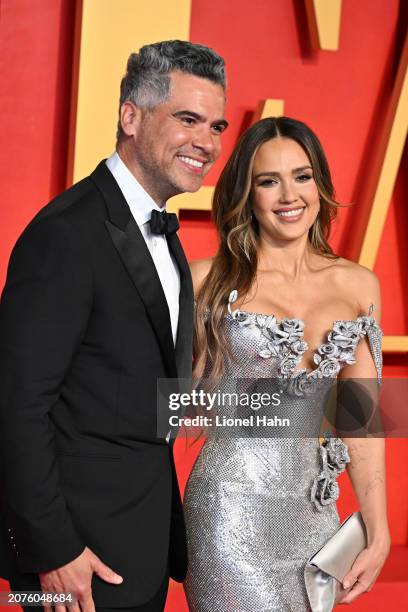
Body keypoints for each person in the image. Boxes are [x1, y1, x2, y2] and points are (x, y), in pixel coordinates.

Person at [0, 40, 228, 612]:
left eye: (216, 125)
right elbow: (16, 405)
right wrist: (51, 552)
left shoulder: (164, 238)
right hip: (75, 562)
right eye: (188, 119)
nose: (208, 142)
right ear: (131, 116)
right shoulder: (66, 234)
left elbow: (145, 394)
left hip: (140, 545)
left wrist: (321, 407)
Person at [183, 117, 391, 611]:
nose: (288, 195)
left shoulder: (358, 285)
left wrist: (378, 528)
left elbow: (359, 422)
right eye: (268, 181)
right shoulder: (203, 281)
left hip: (315, 520)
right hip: (228, 514)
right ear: (247, 194)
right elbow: (161, 400)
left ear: (319, 183)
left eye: (301, 176)